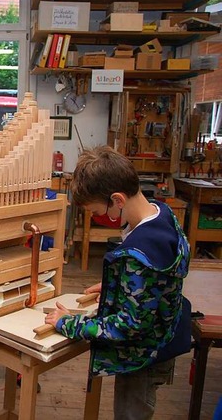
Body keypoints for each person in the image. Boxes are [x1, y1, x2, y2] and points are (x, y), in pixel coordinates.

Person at [44, 146, 190, 420]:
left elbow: (128, 326)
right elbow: (156, 282)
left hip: (143, 356)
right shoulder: (162, 213)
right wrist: (119, 286)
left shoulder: (140, 253)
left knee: (130, 414)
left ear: (117, 200)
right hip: (161, 337)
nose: (101, 218)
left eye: (99, 211)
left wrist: (67, 323)